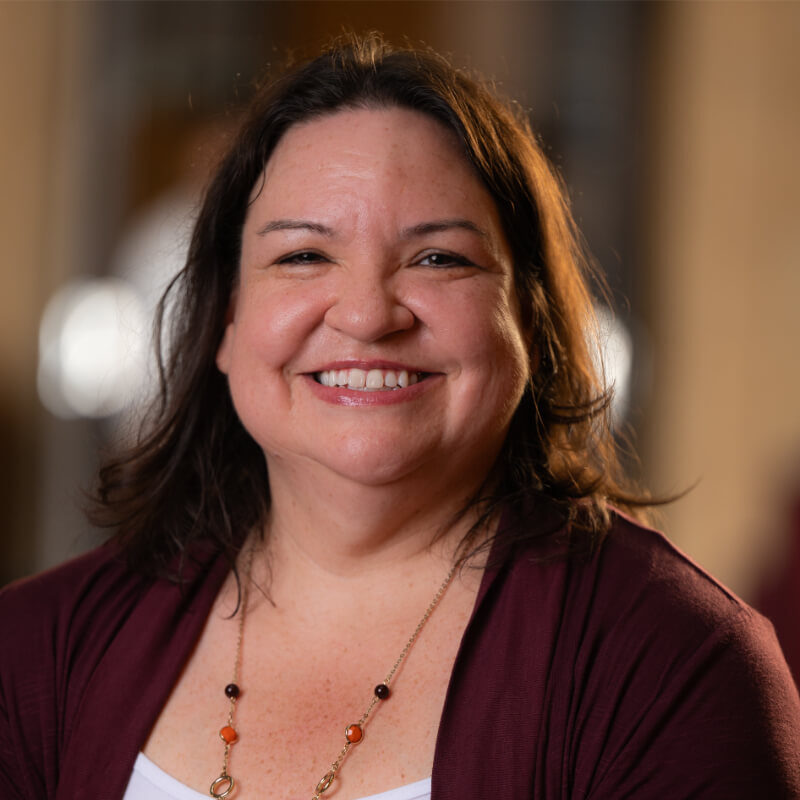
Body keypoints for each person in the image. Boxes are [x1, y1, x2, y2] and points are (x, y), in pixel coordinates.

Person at [1, 34, 798, 800]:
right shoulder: (31, 655)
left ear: (529, 317)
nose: (367, 315)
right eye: (303, 255)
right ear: (225, 322)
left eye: (437, 258)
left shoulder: (677, 662)